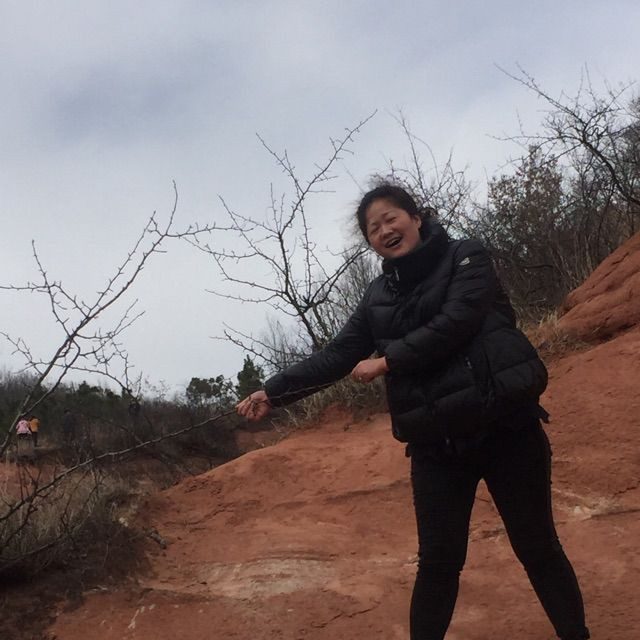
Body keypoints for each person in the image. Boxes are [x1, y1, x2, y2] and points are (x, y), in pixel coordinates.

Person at [237, 183, 589, 640]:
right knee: (438, 563)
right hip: (437, 447)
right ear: (370, 242)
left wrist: (388, 361)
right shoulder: (376, 297)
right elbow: (338, 354)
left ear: (416, 218)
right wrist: (273, 392)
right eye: (373, 228)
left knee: (537, 547)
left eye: (391, 218)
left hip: (507, 429)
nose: (385, 230)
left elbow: (459, 320)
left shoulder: (467, 256)